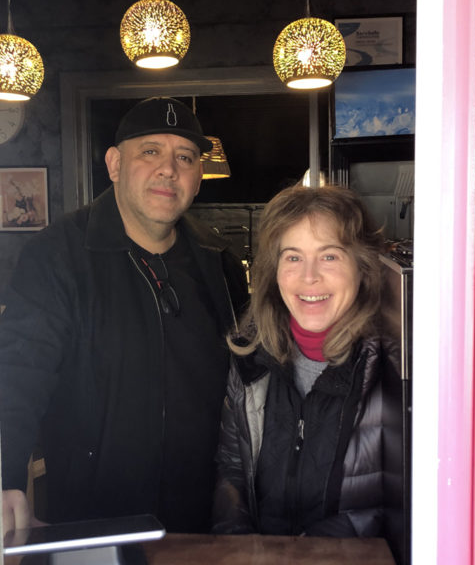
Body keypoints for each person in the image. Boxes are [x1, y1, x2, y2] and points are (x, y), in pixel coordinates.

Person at [0, 97, 248, 535]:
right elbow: (17, 373)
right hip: (89, 516)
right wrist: (4, 478)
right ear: (115, 165)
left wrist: (238, 483)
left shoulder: (219, 262)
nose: (168, 169)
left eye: (185, 157)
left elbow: (245, 383)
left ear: (197, 178)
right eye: (150, 151)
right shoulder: (56, 256)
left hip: (199, 521)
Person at [212, 184, 401, 540]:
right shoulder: (250, 358)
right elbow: (232, 469)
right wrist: (239, 544)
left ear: (361, 268)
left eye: (329, 256)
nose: (309, 277)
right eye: (293, 257)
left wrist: (308, 552)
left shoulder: (395, 371)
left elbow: (407, 508)